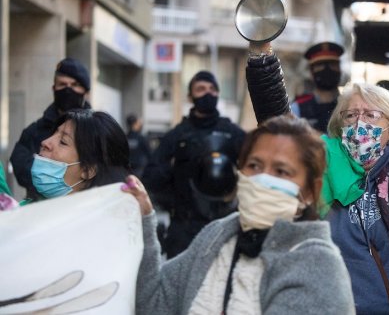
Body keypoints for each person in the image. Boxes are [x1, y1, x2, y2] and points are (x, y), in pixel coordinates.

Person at [246, 41, 389, 314]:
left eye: (371, 115)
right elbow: (278, 125)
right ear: (338, 125)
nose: (360, 124)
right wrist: (261, 51)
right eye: (351, 116)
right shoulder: (322, 163)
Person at [123, 116, 355, 314]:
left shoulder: (318, 266)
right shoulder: (218, 237)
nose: (263, 179)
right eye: (254, 165)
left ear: (309, 192)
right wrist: (144, 220)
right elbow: (154, 304)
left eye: (281, 171)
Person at [142, 70, 245, 258]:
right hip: (185, 226)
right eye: (201, 89)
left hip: (225, 223)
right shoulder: (177, 135)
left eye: (213, 89)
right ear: (190, 96)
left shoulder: (233, 134)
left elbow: (254, 169)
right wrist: (174, 197)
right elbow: (151, 177)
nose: (208, 93)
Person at [10, 57, 91, 200]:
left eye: (74, 84)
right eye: (62, 84)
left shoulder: (99, 132)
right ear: (54, 88)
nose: (68, 89)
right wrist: (47, 182)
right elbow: (19, 163)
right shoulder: (34, 131)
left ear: (85, 91)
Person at [27, 109, 131, 203]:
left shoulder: (103, 222)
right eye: (53, 134)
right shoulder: (24, 211)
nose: (45, 142)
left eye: (63, 142)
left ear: (88, 170)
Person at [290, 41, 344, 133]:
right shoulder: (297, 108)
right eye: (320, 65)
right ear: (311, 73)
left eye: (332, 64)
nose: (327, 70)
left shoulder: (351, 106)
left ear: (340, 69)